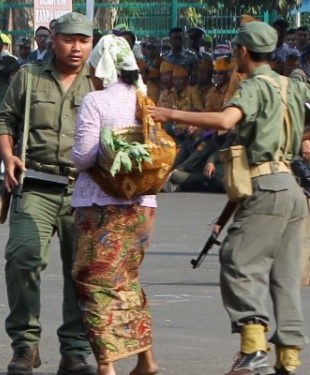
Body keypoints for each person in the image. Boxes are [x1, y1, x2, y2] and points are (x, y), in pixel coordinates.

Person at [149, 21, 307, 375]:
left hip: (267, 190)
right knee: (284, 275)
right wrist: (226, 213)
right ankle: (288, 359)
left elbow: (224, 120)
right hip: (291, 189)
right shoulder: (291, 86)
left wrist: (169, 113)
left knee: (237, 260)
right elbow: (260, 160)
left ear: (244, 52)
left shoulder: (254, 86)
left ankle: (253, 351)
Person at [0, 12, 96, 375]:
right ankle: (25, 345)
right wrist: (8, 157)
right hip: (35, 183)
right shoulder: (29, 77)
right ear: (53, 39)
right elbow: (4, 120)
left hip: (84, 189)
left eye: (84, 41)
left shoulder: (100, 82)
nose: (77, 48)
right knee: (22, 257)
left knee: (82, 270)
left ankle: (75, 350)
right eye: (69, 39)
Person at [72, 34, 159, 375]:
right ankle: (146, 359)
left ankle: (106, 366)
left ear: (102, 67)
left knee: (93, 283)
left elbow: (83, 157)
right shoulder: (144, 97)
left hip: (101, 207)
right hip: (143, 205)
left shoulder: (96, 101)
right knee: (128, 280)